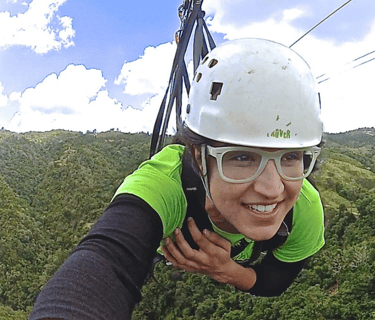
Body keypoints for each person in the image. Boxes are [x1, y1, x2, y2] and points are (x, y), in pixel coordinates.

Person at [30, 38, 325, 320]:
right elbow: (108, 259)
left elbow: (276, 281)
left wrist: (227, 271)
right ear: (197, 156)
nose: (273, 189)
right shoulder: (165, 184)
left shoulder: (304, 210)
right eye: (242, 157)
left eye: (291, 157)